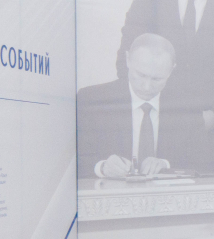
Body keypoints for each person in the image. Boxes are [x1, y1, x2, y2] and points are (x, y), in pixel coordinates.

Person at [78, 33, 202, 178]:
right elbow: (74, 159)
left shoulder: (188, 107)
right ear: (127, 60)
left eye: (156, 79)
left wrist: (165, 164)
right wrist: (102, 167)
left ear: (171, 70)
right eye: (141, 75)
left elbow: (201, 163)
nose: (147, 87)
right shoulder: (92, 100)